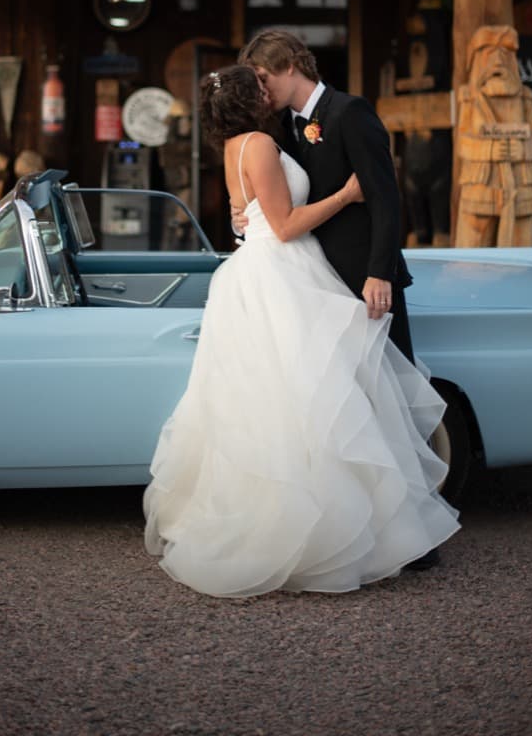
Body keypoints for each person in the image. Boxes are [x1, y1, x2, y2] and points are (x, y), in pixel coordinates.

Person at [143, 65, 459, 598]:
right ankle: (329, 532)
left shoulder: (233, 147)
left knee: (284, 405)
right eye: (259, 88)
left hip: (255, 273)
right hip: (282, 273)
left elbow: (250, 215)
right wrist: (348, 194)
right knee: (316, 401)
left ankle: (316, 523)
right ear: (252, 100)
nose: (269, 93)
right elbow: (286, 226)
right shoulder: (261, 144)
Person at [238, 29, 414, 361]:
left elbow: (385, 198)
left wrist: (379, 273)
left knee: (394, 385)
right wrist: (245, 216)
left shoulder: (350, 112)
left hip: (364, 275)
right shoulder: (277, 127)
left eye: (263, 78)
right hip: (315, 280)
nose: (260, 90)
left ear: (289, 65)